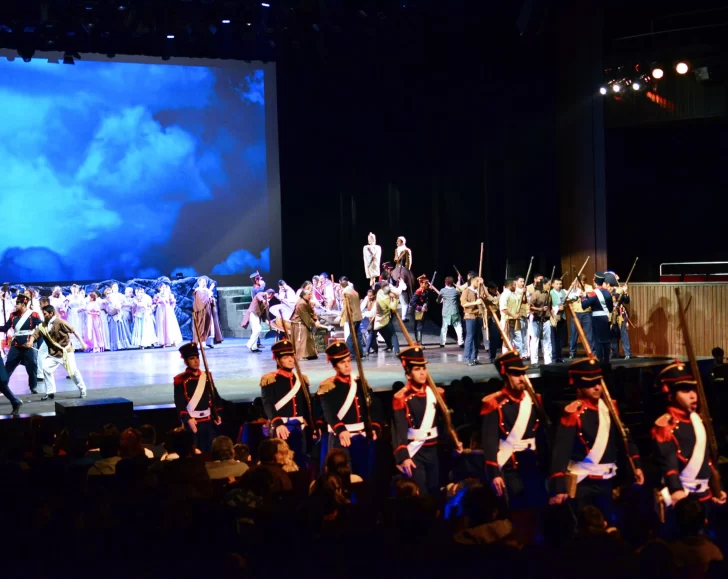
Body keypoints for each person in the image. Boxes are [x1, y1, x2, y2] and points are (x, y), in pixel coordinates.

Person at [549, 357, 644, 521]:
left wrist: (636, 465)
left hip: (607, 481)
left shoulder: (609, 409)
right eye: (590, 383)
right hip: (583, 483)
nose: (596, 386)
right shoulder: (573, 413)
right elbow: (561, 452)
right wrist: (558, 487)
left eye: (598, 381)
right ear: (578, 385)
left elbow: (625, 439)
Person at [652, 362, 727, 509]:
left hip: (706, 495)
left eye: (693, 389)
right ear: (671, 395)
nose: (693, 395)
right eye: (685, 391)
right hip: (683, 499)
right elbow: (669, 466)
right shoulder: (666, 426)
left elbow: (708, 460)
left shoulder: (698, 420)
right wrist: (676, 491)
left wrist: (718, 488)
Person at [481, 351, 546, 509]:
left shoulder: (533, 400)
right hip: (511, 465)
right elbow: (489, 442)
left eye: (522, 373)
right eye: (516, 374)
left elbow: (543, 435)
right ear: (506, 375)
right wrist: (494, 473)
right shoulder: (495, 403)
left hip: (532, 463)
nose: (521, 378)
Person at [393, 346, 462, 495]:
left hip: (435, 450)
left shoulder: (436, 393)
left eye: (423, 368)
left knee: (435, 491)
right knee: (422, 494)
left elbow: (445, 423)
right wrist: (403, 457)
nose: (423, 372)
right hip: (415, 451)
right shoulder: (401, 398)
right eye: (417, 369)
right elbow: (399, 431)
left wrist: (454, 441)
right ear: (408, 375)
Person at [317, 341, 381, 479]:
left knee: (364, 478)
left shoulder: (360, 383)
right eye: (342, 362)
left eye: (348, 361)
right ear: (335, 365)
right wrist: (340, 429)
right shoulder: (329, 386)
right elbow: (329, 413)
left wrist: (375, 426)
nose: (347, 365)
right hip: (342, 438)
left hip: (362, 436)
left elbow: (374, 406)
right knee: (343, 478)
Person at [260, 339, 312, 469]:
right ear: (278, 360)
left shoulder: (301, 379)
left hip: (300, 428)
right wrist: (277, 423)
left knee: (301, 461)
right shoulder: (270, 380)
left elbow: (307, 404)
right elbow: (268, 404)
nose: (290, 360)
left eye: (292, 356)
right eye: (286, 357)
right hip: (281, 427)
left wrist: (312, 423)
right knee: (280, 462)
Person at [25, 305, 87, 400]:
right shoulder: (43, 325)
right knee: (46, 368)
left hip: (66, 352)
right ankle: (50, 392)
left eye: (45, 314)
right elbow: (35, 334)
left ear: (51, 313)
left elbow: (73, 331)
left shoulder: (60, 322)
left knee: (73, 372)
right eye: (43, 314)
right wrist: (30, 342)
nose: (44, 315)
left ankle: (82, 389)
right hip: (54, 354)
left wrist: (82, 343)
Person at [173, 342, 222, 453]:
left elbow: (215, 397)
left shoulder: (206, 376)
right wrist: (187, 419)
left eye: (197, 358)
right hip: (193, 421)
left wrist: (217, 414)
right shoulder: (180, 379)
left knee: (209, 452)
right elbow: (179, 402)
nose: (196, 361)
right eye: (192, 358)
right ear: (186, 361)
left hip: (208, 421)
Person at [1, 293, 43, 398]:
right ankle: (3, 386)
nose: (15, 305)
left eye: (17, 303)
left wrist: (36, 341)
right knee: (8, 366)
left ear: (24, 304)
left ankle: (33, 387)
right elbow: (6, 328)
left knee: (32, 365)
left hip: (29, 345)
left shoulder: (33, 315)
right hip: (16, 345)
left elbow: (42, 327)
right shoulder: (12, 315)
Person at [578, 273, 615, 364]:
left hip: (597, 319)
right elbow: (610, 307)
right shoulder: (608, 293)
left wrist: (583, 297)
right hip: (606, 318)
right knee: (606, 340)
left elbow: (584, 305)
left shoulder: (594, 293)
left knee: (597, 340)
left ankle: (599, 360)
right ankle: (606, 361)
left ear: (595, 282)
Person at [566, 274, 596, 358]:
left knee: (589, 333)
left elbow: (592, 295)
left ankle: (592, 351)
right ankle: (572, 352)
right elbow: (567, 297)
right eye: (579, 282)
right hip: (575, 313)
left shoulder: (589, 287)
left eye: (582, 282)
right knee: (573, 333)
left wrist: (584, 293)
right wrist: (575, 294)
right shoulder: (573, 288)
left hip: (586, 313)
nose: (581, 284)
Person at [368, 281, 400, 355]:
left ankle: (389, 346)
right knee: (393, 334)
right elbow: (392, 307)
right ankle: (397, 351)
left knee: (383, 333)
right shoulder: (384, 297)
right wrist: (394, 298)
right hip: (384, 318)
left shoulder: (379, 294)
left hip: (379, 319)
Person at [290, 289, 324, 360]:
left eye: (311, 294)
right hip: (299, 323)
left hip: (304, 321)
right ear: (304, 295)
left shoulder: (307, 302)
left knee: (308, 338)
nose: (310, 296)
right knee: (303, 338)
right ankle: (301, 355)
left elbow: (312, 312)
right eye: (309, 295)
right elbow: (306, 316)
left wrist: (316, 320)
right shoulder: (301, 303)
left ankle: (310, 354)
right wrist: (314, 323)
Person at [338, 277, 365, 359]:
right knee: (355, 335)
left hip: (353, 316)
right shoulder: (354, 292)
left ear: (341, 285)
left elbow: (345, 306)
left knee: (350, 337)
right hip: (358, 316)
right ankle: (359, 353)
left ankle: (351, 354)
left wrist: (341, 315)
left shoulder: (345, 292)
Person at [460, 275, 483, 367]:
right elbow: (463, 303)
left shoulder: (478, 291)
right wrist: (475, 303)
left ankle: (474, 357)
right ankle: (467, 358)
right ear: (474, 282)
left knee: (477, 338)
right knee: (470, 337)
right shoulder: (466, 291)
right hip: (470, 316)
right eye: (478, 282)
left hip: (478, 316)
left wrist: (483, 285)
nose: (479, 284)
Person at [528, 280, 552, 366]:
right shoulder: (536, 294)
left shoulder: (549, 295)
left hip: (546, 319)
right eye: (548, 284)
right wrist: (540, 309)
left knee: (547, 340)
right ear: (544, 284)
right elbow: (530, 306)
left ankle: (548, 360)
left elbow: (550, 307)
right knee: (535, 340)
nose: (550, 286)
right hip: (537, 319)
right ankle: (534, 361)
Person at [193, 277, 223, 348]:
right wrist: (209, 291)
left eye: (205, 282)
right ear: (199, 283)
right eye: (202, 282)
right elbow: (201, 301)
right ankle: (201, 342)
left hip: (208, 311)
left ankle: (209, 342)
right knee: (202, 327)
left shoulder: (206, 290)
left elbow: (210, 299)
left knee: (210, 326)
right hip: (201, 312)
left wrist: (212, 299)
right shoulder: (198, 291)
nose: (204, 283)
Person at [242, 288, 274, 353]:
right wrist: (263, 300)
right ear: (271, 294)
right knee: (258, 329)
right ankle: (249, 344)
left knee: (255, 331)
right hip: (253, 313)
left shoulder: (267, 302)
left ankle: (254, 348)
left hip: (257, 316)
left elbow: (264, 314)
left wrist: (267, 321)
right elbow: (258, 296)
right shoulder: (261, 294)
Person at [608, 272, 631, 360]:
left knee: (624, 333)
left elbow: (626, 301)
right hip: (611, 313)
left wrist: (625, 292)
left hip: (620, 313)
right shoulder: (608, 289)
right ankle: (614, 353)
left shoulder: (620, 289)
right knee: (613, 334)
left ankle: (627, 353)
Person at [437, 276, 464, 348]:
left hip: (446, 312)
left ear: (445, 283)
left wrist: (442, 300)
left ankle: (442, 343)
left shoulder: (442, 290)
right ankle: (461, 342)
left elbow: (438, 301)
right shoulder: (456, 291)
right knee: (458, 327)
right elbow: (460, 298)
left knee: (444, 328)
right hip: (455, 311)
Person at [410, 274, 436, 347]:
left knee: (420, 326)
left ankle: (419, 342)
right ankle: (419, 343)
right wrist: (420, 308)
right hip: (418, 311)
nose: (427, 284)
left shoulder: (426, 290)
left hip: (423, 311)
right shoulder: (418, 291)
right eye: (425, 283)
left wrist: (431, 290)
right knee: (419, 327)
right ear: (421, 283)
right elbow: (412, 302)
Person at [154, 283, 182, 348]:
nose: (163, 288)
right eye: (162, 287)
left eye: (164, 287)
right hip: (160, 310)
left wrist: (172, 305)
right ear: (159, 288)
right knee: (161, 324)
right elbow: (154, 302)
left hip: (168, 309)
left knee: (170, 324)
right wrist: (159, 301)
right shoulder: (157, 295)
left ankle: (172, 340)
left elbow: (173, 302)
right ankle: (162, 342)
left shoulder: (169, 295)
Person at [499, 279, 521, 356]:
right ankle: (505, 358)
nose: (516, 287)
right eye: (515, 285)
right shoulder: (505, 294)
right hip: (507, 320)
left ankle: (517, 357)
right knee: (507, 340)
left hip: (514, 320)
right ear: (510, 285)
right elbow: (503, 308)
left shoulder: (513, 294)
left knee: (518, 340)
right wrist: (513, 315)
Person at [482, 282, 502, 363]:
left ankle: (493, 355)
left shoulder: (496, 295)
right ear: (490, 289)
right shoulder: (486, 296)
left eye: (497, 289)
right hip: (490, 319)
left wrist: (497, 293)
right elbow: (494, 301)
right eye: (495, 289)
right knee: (491, 338)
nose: (496, 290)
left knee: (496, 338)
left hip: (497, 318)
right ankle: (491, 356)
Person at [550, 278, 567, 363]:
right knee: (554, 337)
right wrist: (557, 308)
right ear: (552, 284)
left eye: (560, 284)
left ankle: (560, 356)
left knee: (560, 338)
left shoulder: (563, 292)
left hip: (562, 316)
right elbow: (549, 306)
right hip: (554, 317)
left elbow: (571, 297)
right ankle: (554, 356)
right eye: (557, 284)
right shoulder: (550, 293)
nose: (559, 285)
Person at [515, 276, 530, 359]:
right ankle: (519, 352)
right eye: (521, 281)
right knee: (518, 335)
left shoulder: (525, 291)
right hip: (518, 315)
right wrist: (523, 293)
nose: (522, 283)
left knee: (525, 335)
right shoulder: (515, 291)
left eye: (523, 281)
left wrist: (524, 293)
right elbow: (520, 300)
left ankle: (525, 352)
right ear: (516, 282)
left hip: (524, 315)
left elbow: (526, 301)